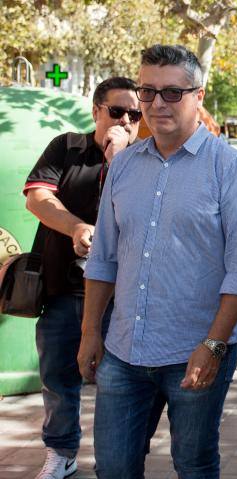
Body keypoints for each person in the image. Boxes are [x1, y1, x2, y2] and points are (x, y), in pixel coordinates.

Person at [77, 44, 237, 478]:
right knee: (113, 469)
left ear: (199, 96)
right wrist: (89, 333)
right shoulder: (122, 167)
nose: (157, 104)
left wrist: (213, 345)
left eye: (172, 93)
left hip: (196, 349)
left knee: (192, 465)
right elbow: (104, 259)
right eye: (147, 92)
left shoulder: (230, 169)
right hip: (123, 350)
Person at [23, 77, 144, 479]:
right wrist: (76, 228)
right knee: (57, 377)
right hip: (62, 289)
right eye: (117, 111)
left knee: (118, 383)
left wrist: (120, 158)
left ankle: (117, 459)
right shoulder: (67, 147)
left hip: (120, 297)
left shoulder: (142, 158)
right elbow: (38, 198)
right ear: (96, 111)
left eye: (135, 114)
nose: (126, 120)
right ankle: (61, 451)